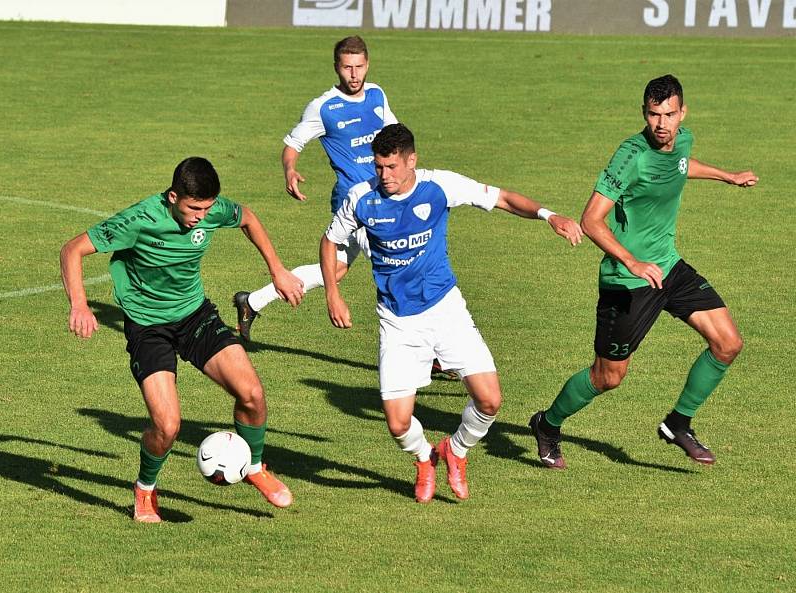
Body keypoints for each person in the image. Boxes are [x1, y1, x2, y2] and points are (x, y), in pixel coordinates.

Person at [321, 123, 583, 503]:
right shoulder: (362, 199)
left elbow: (503, 199)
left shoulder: (439, 186)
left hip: (446, 311)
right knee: (397, 423)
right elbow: (330, 241)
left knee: (491, 401)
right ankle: (425, 458)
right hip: (397, 321)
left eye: (391, 167)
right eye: (378, 167)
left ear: (412, 161)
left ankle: (456, 451)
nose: (384, 175)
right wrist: (332, 292)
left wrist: (549, 215)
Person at [528, 74, 758, 469]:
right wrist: (632, 261)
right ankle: (547, 424)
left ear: (682, 113)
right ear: (644, 114)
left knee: (728, 343)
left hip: (668, 267)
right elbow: (591, 219)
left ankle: (678, 423)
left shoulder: (682, 140)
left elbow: (682, 166)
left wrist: (727, 176)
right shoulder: (629, 155)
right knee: (608, 377)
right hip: (627, 281)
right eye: (654, 115)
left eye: (669, 114)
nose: (662, 124)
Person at [60, 157, 305, 523]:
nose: (200, 217)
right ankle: (145, 490)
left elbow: (248, 218)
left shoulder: (211, 209)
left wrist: (278, 270)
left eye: (207, 209)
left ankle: (253, 466)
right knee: (168, 426)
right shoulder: (140, 220)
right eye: (193, 209)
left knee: (252, 394)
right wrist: (79, 305)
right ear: (174, 196)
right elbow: (72, 249)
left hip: (194, 316)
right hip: (148, 328)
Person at [233, 35, 397, 340]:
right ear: (337, 66)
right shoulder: (324, 108)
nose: (353, 75)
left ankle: (252, 302)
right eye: (347, 67)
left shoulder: (376, 95)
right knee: (395, 266)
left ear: (367, 64)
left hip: (384, 195)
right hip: (356, 201)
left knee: (335, 269)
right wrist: (290, 169)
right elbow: (292, 144)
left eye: (359, 67)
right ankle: (428, 351)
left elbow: (395, 135)